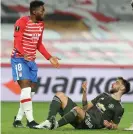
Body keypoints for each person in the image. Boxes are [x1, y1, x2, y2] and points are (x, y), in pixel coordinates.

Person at [11, 0, 60, 128]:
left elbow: (38, 44)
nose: (44, 12)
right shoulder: (21, 22)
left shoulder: (41, 25)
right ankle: (31, 121)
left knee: (31, 91)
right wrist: (23, 53)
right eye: (42, 10)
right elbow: (17, 42)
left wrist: (49, 57)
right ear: (34, 11)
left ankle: (18, 120)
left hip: (31, 61)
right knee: (26, 88)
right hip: (19, 59)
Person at [36, 77, 130, 130]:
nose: (113, 84)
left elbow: (115, 126)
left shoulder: (119, 107)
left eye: (117, 83)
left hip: (93, 124)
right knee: (60, 95)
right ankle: (48, 121)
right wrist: (84, 92)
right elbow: (85, 107)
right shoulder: (103, 95)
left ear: (122, 88)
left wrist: (110, 125)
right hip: (83, 116)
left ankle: (54, 125)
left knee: (77, 109)